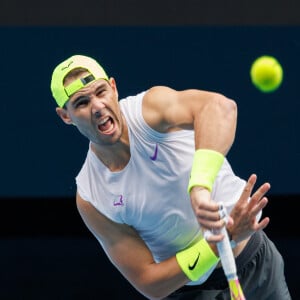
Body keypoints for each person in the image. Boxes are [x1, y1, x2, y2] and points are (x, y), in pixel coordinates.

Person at [50, 54, 290, 300]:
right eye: (81, 103)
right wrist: (221, 241)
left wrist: (199, 187)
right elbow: (148, 282)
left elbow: (221, 107)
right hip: (191, 293)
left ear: (113, 87)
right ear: (65, 116)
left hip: (256, 264)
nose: (98, 106)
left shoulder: (150, 110)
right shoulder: (91, 196)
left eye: (101, 92)